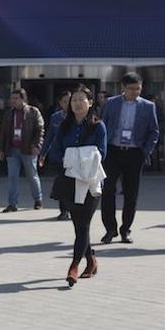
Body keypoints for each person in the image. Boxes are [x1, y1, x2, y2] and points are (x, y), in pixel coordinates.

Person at [45, 86, 107, 286]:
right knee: (79, 225)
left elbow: (102, 153)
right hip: (69, 179)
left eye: (82, 100)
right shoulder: (64, 126)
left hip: (90, 181)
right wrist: (70, 158)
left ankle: (74, 266)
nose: (77, 103)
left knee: (83, 225)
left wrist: (81, 157)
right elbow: (55, 152)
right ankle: (91, 260)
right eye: (74, 100)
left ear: (90, 103)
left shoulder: (98, 126)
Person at [98, 73, 161, 244]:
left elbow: (154, 131)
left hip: (134, 153)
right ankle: (110, 229)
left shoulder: (148, 107)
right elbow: (101, 126)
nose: (135, 92)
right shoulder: (111, 103)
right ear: (123, 88)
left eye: (138, 88)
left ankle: (126, 229)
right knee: (108, 191)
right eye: (131, 89)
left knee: (131, 194)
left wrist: (145, 151)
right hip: (112, 152)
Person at [0, 88, 44, 212]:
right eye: (12, 98)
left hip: (28, 148)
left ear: (23, 99)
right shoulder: (8, 114)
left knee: (32, 175)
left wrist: (37, 145)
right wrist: (1, 149)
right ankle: (12, 204)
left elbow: (40, 130)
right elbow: (3, 133)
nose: (13, 101)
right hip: (12, 149)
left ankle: (38, 199)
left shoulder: (33, 112)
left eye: (16, 98)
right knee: (12, 177)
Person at [38, 90, 73, 221]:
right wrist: (43, 154)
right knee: (62, 183)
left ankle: (73, 209)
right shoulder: (55, 117)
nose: (68, 104)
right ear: (60, 103)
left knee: (74, 184)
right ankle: (63, 210)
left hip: (75, 156)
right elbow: (49, 136)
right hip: (60, 156)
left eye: (70, 101)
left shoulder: (79, 116)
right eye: (65, 101)